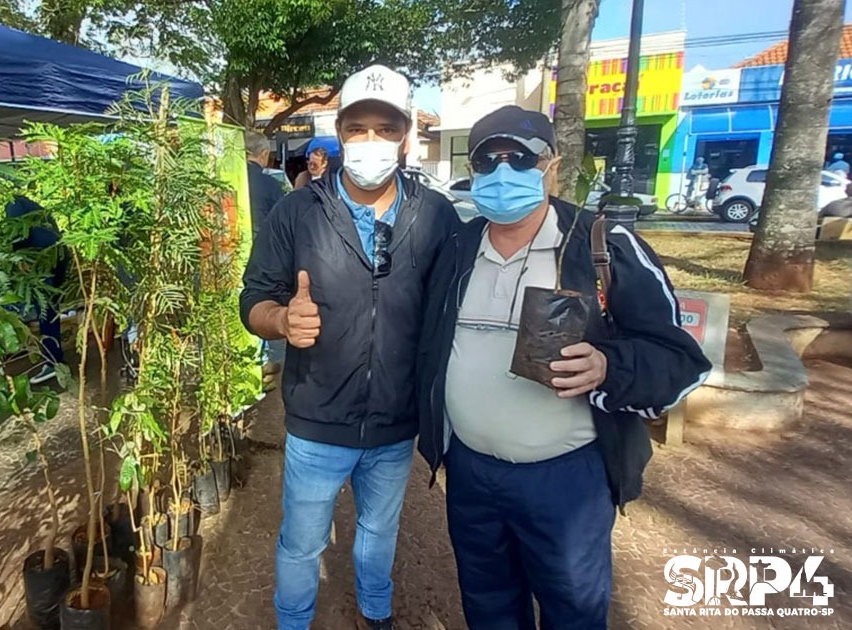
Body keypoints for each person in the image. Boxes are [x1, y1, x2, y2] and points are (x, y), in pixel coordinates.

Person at [416, 106, 712, 629]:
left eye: (520, 159)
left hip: (566, 479)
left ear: (551, 166)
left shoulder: (604, 246)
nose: (503, 173)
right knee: (487, 605)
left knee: (572, 611)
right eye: (487, 161)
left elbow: (680, 361)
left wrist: (607, 365)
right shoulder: (457, 247)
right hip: (471, 473)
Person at [241, 64, 458, 630]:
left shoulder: (436, 216)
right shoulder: (297, 211)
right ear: (339, 132)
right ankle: (294, 620)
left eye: (386, 128)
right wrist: (281, 320)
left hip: (395, 423)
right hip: (317, 421)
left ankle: (376, 611)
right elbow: (254, 299)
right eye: (357, 128)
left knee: (379, 530)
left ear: (406, 136)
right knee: (302, 542)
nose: (371, 140)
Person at [6, 195, 67, 385]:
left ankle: (53, 361)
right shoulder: (33, 205)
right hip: (58, 256)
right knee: (50, 310)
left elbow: (19, 233)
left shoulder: (13, 203)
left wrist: (19, 257)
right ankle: (54, 358)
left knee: (46, 311)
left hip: (43, 259)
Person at [245, 131, 289, 379]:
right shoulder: (271, 185)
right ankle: (261, 360)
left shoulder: (226, 179)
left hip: (225, 252)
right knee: (260, 299)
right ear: (263, 154)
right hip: (261, 254)